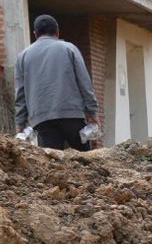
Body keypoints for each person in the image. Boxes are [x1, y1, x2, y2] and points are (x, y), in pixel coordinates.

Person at [13, 15, 99, 151]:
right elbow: (85, 84)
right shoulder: (69, 49)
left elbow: (20, 95)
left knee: (52, 160)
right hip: (72, 115)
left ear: (35, 34)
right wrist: (92, 113)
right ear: (57, 31)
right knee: (84, 159)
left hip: (42, 119)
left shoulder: (22, 57)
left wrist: (20, 124)